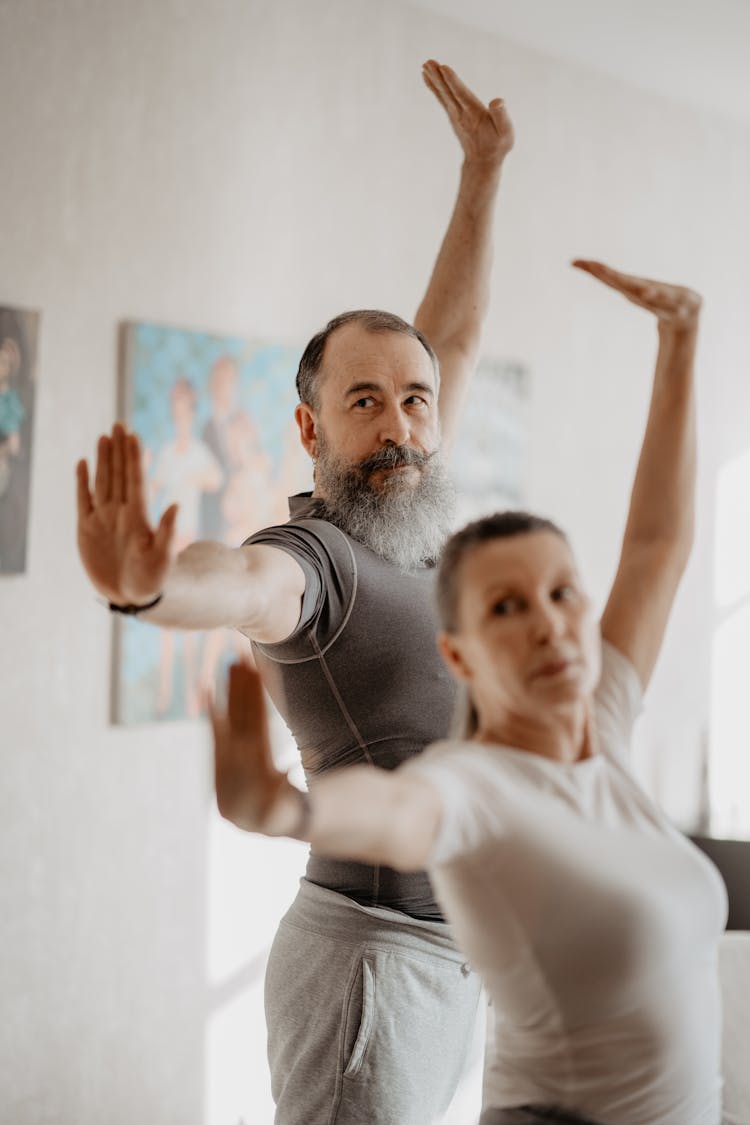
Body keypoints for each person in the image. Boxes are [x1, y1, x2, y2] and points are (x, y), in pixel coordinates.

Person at [76, 61, 514, 1124]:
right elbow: (239, 584)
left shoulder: (414, 519)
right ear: (313, 430)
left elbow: (446, 338)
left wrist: (483, 172)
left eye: (414, 400)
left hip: (457, 956)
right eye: (364, 400)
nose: (400, 420)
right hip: (368, 969)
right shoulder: (317, 555)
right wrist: (148, 589)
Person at [209, 262, 728, 1125]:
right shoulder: (474, 781)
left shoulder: (603, 713)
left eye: (563, 594)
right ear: (460, 650)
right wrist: (284, 811)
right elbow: (397, 813)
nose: (550, 626)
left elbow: (658, 544)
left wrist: (680, 344)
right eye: (508, 606)